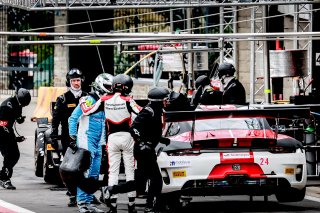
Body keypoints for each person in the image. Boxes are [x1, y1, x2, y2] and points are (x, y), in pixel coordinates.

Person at [83, 74, 141, 213]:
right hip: (128, 138)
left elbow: (87, 111)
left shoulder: (104, 99)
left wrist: (82, 101)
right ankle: (131, 205)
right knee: (130, 171)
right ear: (126, 87)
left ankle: (113, 206)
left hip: (112, 139)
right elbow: (141, 112)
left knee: (113, 172)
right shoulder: (128, 100)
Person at [68, 73, 114, 213]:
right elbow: (73, 118)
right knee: (85, 173)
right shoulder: (88, 99)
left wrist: (105, 144)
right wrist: (73, 137)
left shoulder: (105, 101)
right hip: (85, 141)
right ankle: (82, 203)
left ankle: (89, 202)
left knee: (94, 174)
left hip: (98, 142)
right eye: (108, 86)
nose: (110, 89)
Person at [50, 68, 88, 207]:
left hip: (85, 137)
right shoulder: (63, 99)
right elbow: (55, 119)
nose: (76, 83)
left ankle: (84, 194)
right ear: (69, 82)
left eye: (78, 80)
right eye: (73, 81)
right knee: (71, 168)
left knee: (84, 168)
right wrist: (54, 135)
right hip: (69, 138)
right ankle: (72, 195)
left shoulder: (88, 97)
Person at [130, 86, 171, 213]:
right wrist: (142, 142)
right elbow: (134, 127)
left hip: (148, 149)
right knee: (156, 179)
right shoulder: (149, 111)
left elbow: (151, 130)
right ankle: (151, 206)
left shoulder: (158, 111)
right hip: (143, 151)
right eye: (165, 99)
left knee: (145, 180)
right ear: (159, 101)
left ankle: (153, 205)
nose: (167, 102)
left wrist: (162, 139)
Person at [0, 88, 31, 190]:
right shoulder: (6, 106)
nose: (23, 106)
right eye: (23, 104)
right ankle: (5, 179)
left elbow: (17, 118)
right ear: (20, 99)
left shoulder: (18, 104)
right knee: (9, 155)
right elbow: (2, 124)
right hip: (1, 131)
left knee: (15, 155)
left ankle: (3, 175)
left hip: (8, 130)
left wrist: (20, 119)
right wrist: (13, 138)